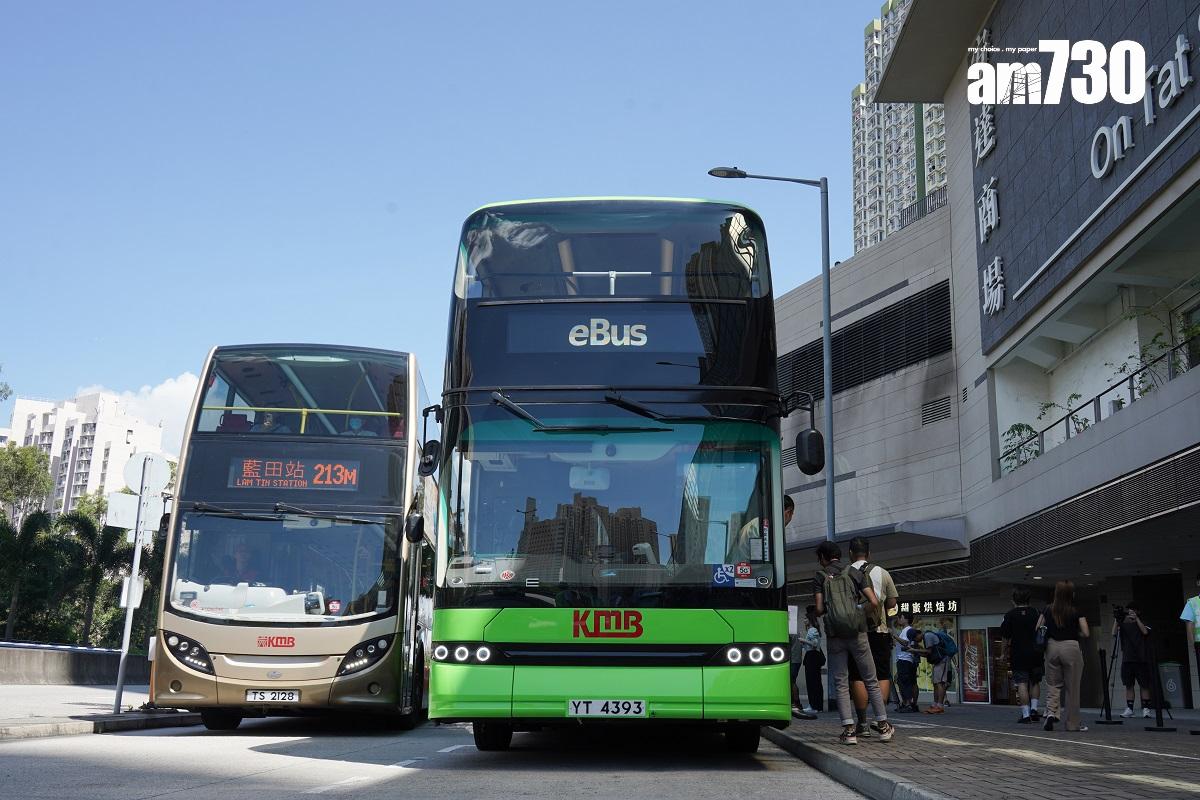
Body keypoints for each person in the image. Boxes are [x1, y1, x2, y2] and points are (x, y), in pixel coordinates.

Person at [813, 540, 895, 746]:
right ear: (841, 555)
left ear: (823, 558)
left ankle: (849, 731)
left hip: (835, 636)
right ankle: (884, 727)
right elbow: (874, 602)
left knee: (841, 681)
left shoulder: (820, 576)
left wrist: (827, 613)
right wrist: (856, 612)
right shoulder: (854, 572)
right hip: (858, 633)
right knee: (870, 678)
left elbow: (820, 608)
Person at [847, 536, 898, 737]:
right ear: (869, 554)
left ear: (850, 553)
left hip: (854, 631)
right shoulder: (882, 573)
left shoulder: (845, 573)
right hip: (879, 631)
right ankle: (880, 719)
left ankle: (862, 723)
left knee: (857, 675)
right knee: (881, 674)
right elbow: (892, 603)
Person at [1037, 580, 1090, 732]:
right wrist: (1075, 632)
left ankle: (1051, 713)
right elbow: (1086, 632)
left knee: (1053, 684)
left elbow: (1038, 627)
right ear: (1070, 594)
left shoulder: (1047, 609)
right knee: (1072, 688)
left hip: (1052, 647)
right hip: (1071, 647)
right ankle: (1072, 724)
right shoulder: (1076, 611)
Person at [1001, 586, 1043, 723]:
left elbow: (1005, 637)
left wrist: (1003, 653)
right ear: (1029, 599)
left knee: (1022, 683)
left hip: (1018, 654)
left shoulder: (1010, 615)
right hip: (1036, 653)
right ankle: (1034, 709)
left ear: (1013, 600)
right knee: (1035, 681)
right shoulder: (1036, 613)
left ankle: (1026, 715)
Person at [1114, 601, 1153, 718]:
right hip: (1127, 658)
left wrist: (1137, 619)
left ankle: (1146, 709)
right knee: (1129, 685)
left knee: (1144, 685)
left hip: (1141, 658)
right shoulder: (1123, 623)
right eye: (1129, 610)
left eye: (1133, 610)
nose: (1131, 612)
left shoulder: (1142, 621)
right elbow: (1113, 633)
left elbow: (1145, 632)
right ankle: (1130, 709)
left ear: (1138, 612)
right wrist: (1117, 619)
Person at [911, 622, 954, 714]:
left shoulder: (928, 636)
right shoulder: (926, 637)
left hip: (942, 660)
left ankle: (940, 706)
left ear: (918, 634)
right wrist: (917, 651)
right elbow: (927, 654)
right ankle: (935, 704)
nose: (916, 640)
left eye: (915, 638)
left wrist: (915, 649)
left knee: (940, 683)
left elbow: (928, 651)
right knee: (935, 683)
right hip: (937, 661)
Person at [892, 611, 919, 712]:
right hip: (908, 659)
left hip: (904, 659)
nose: (898, 619)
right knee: (911, 682)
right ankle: (912, 704)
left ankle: (907, 704)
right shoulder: (908, 630)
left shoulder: (907, 630)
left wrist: (894, 636)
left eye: (900, 617)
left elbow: (905, 643)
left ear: (906, 619)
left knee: (904, 682)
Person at [800, 605, 825, 713]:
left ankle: (814, 705)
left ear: (810, 619)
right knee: (814, 681)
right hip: (811, 656)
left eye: (805, 618)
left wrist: (803, 640)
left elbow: (814, 644)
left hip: (812, 656)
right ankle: (815, 705)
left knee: (813, 681)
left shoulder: (812, 630)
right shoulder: (812, 630)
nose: (804, 620)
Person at [1181, 573, 1200, 695]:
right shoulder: (1192, 602)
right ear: (1198, 583)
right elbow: (1189, 626)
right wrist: (1194, 645)